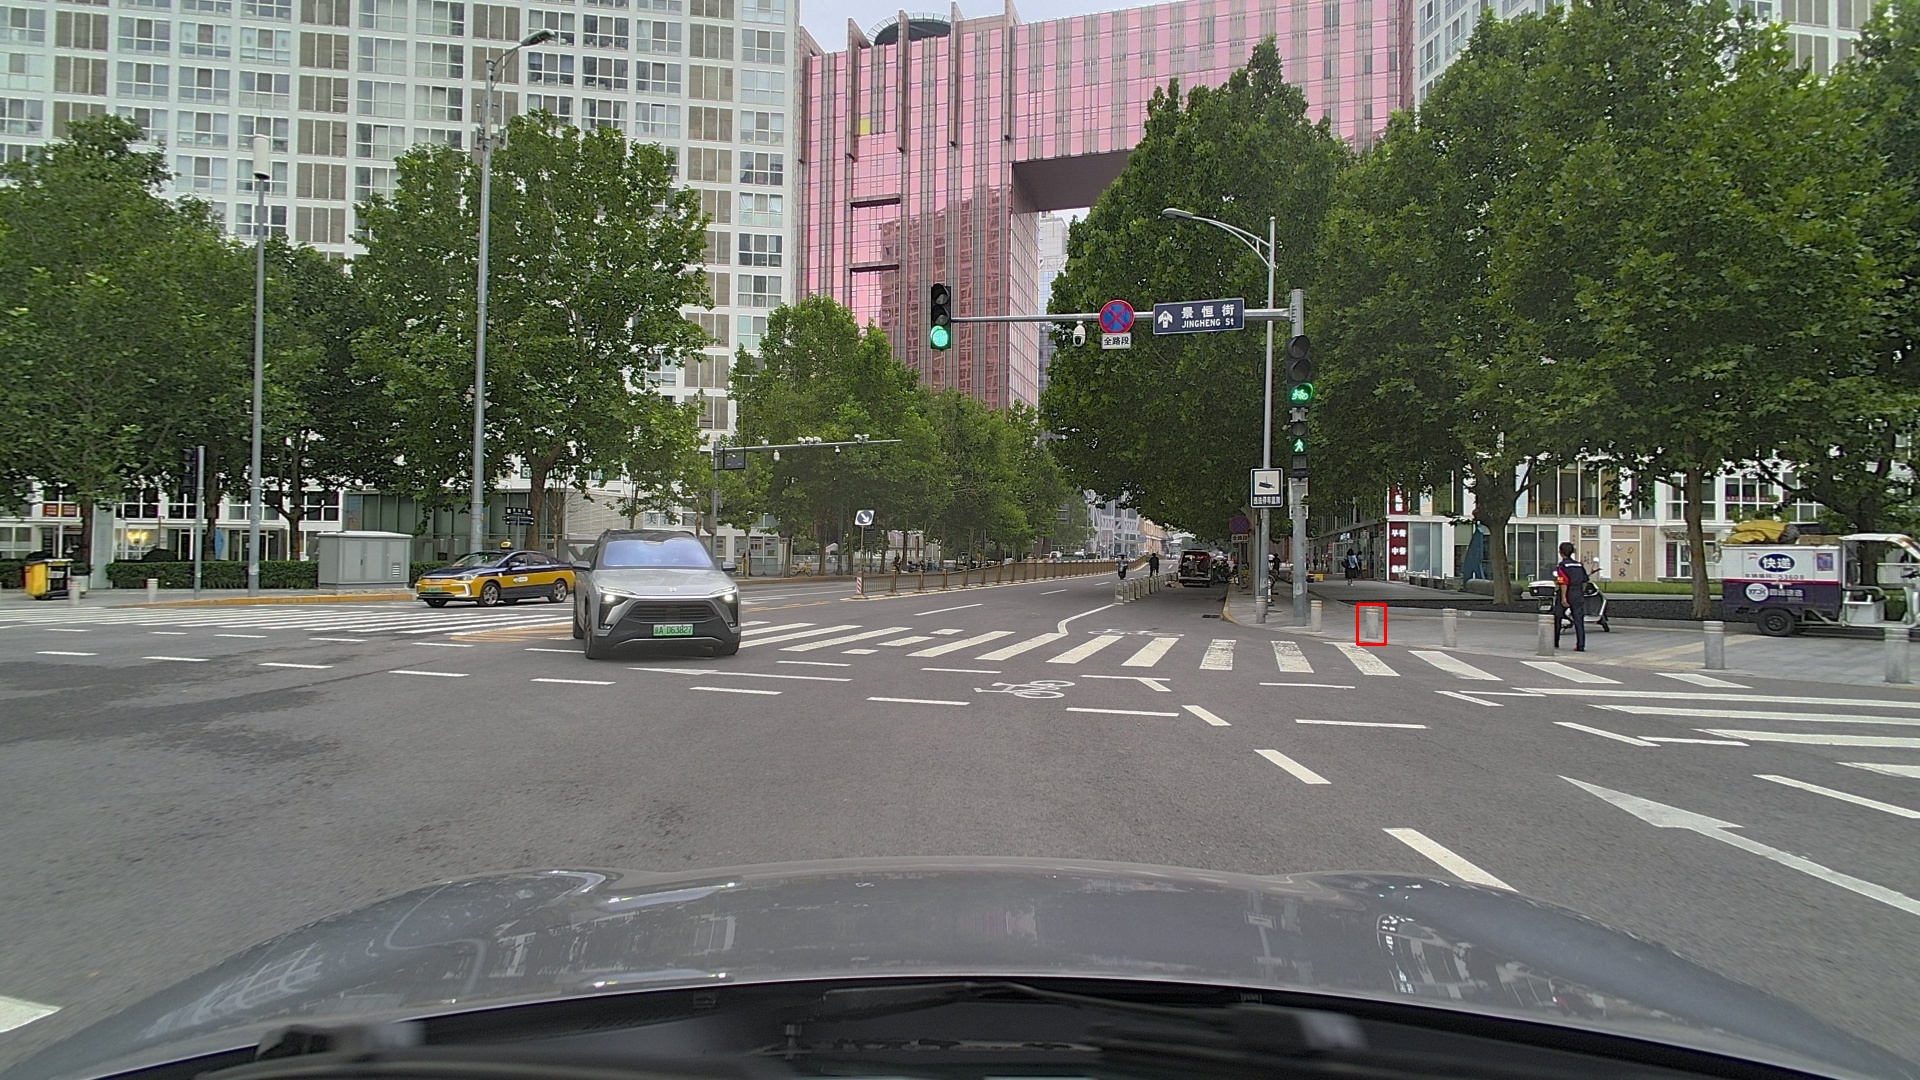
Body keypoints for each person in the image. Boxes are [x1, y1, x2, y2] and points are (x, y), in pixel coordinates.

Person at [1553, 541, 1590, 651]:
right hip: (1578, 592)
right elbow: (1585, 581)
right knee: (1579, 619)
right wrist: (1581, 592)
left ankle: (1555, 642)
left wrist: (1564, 597)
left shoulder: (1562, 566)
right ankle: (1581, 645)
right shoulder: (1579, 565)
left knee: (1558, 617)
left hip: (1567, 592)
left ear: (1560, 552)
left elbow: (1563, 582)